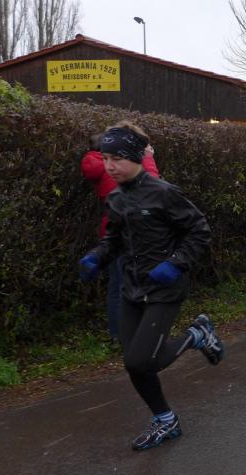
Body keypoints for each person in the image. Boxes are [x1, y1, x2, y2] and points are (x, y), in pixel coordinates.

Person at [77, 124, 223, 451]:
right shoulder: (116, 197)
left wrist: (176, 263)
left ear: (134, 157)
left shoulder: (164, 193)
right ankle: (165, 419)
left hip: (164, 289)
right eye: (105, 158)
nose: (109, 166)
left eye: (116, 158)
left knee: (143, 361)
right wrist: (96, 257)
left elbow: (199, 230)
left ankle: (197, 335)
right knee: (134, 362)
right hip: (132, 288)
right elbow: (114, 240)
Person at [81, 130, 160, 343]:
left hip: (111, 231)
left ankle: (118, 334)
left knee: (117, 286)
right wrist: (147, 157)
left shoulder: (99, 166)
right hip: (135, 231)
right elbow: (152, 186)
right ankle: (140, 334)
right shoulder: (123, 166)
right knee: (140, 283)